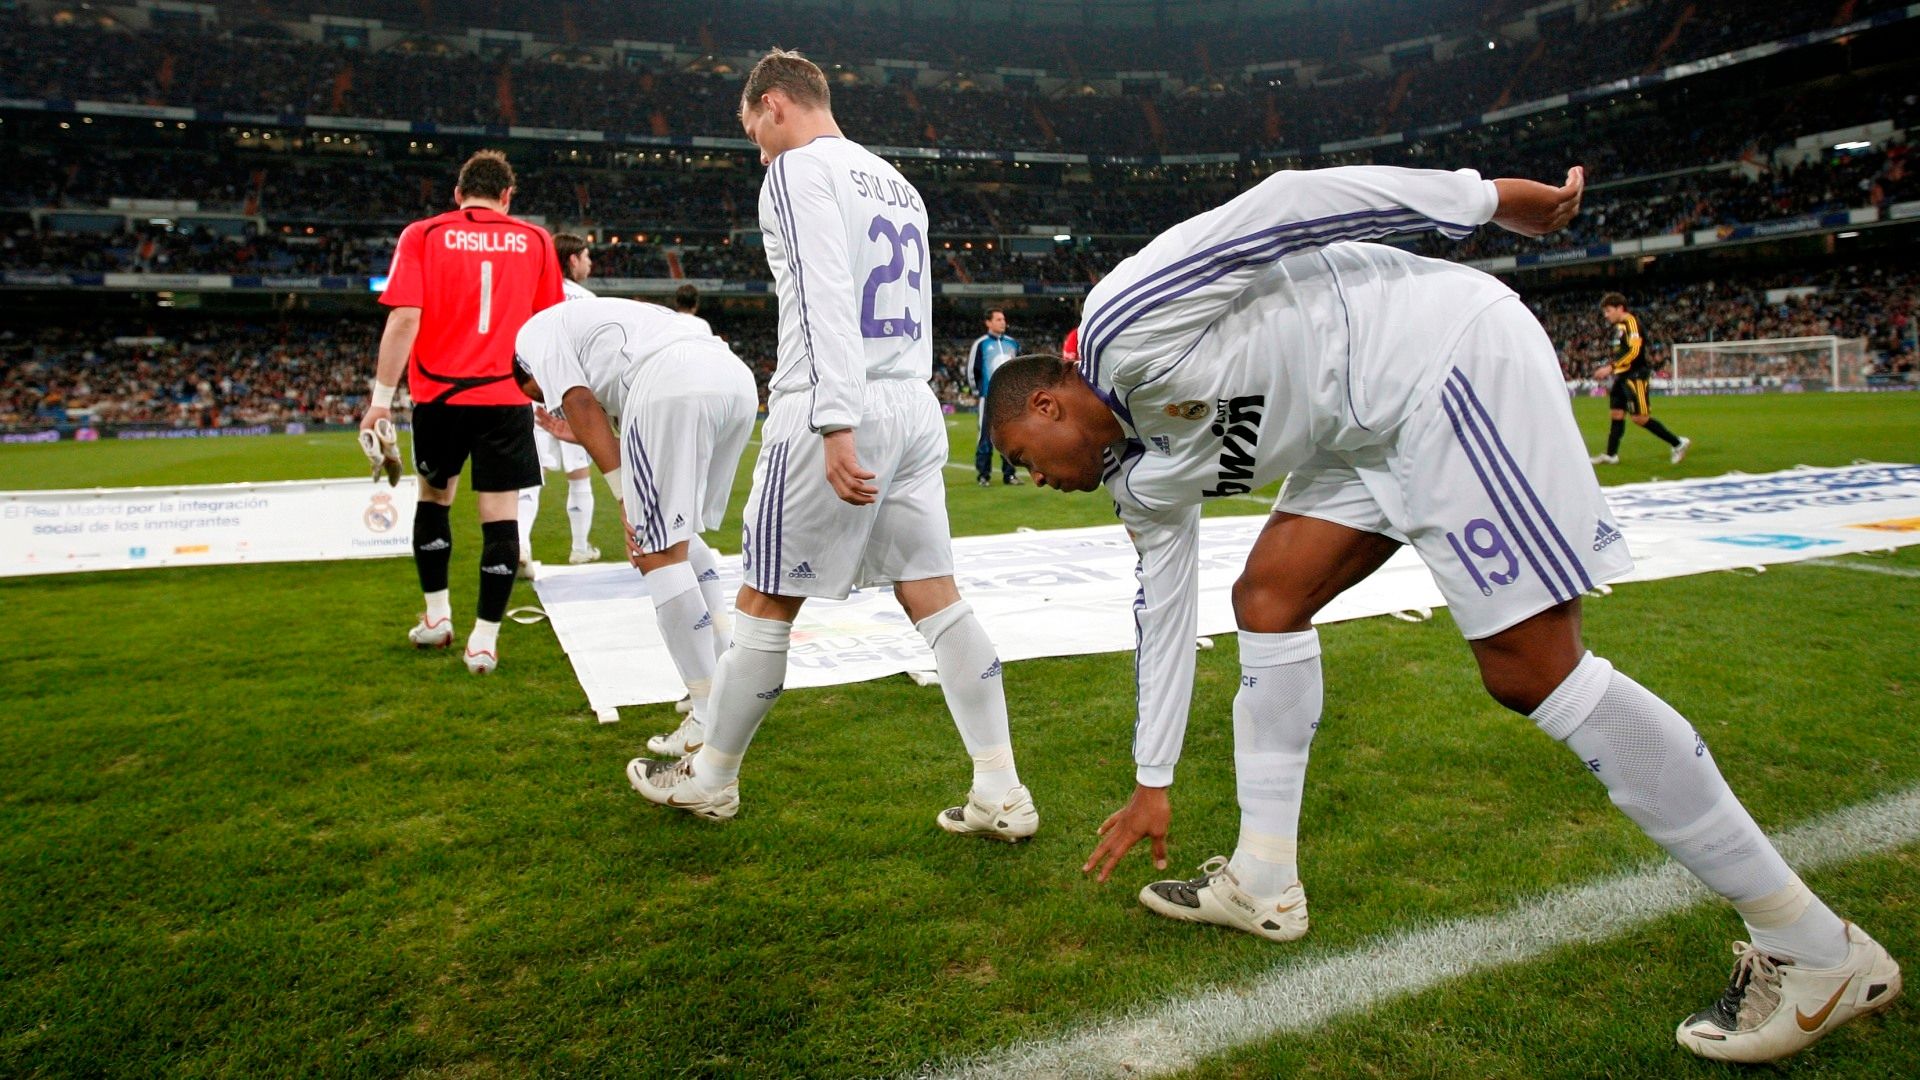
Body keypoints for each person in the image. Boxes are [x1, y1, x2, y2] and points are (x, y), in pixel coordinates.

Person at [983, 163, 1899, 1064]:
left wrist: (1492, 202)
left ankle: (1815, 950)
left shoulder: (1123, 326)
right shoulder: (1141, 482)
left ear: (1051, 402)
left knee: (1532, 669)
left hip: (1442, 357)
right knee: (1266, 598)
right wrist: (1153, 778)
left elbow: (1289, 204)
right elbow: (1165, 613)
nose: (1034, 479)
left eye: (1024, 455)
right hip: (1364, 431)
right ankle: (1264, 880)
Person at [630, 48, 1039, 841]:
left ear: (776, 103)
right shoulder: (900, 184)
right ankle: (1001, 789)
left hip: (834, 401)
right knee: (936, 594)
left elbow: (824, 298)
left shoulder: (796, 172)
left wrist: (834, 423)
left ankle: (710, 779)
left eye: (756, 131)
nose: (759, 150)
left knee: (764, 600)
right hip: (912, 403)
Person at [512, 297, 754, 746]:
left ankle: (706, 714)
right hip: (734, 381)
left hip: (674, 381)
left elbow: (579, 399)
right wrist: (583, 429)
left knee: (654, 550)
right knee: (678, 533)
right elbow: (605, 407)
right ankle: (724, 673)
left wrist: (626, 497)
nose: (549, 404)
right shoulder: (623, 321)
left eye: (538, 392)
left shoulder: (533, 334)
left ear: (524, 368)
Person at [362, 149, 564, 674]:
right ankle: (485, 641)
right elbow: (550, 331)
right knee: (501, 516)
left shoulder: (424, 234)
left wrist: (380, 401)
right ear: (507, 197)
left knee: (434, 498)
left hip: (441, 398)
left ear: (457, 194)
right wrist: (555, 397)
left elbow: (405, 316)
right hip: (505, 399)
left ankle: (437, 620)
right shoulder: (536, 240)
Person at [516, 231, 602, 577]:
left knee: (530, 476)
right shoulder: (586, 300)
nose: (590, 263)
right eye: (586, 257)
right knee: (579, 476)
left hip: (533, 392)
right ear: (572, 260)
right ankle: (580, 548)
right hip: (572, 397)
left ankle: (521, 545)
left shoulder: (531, 293)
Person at [1591, 292, 1691, 466]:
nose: (1606, 315)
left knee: (1639, 417)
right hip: (1623, 375)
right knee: (1616, 413)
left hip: (1635, 375)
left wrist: (1610, 368)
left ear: (1619, 308)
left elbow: (1634, 352)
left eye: (1608, 311)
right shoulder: (1621, 326)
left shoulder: (1632, 323)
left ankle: (1678, 443)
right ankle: (1611, 454)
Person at [968, 308, 1023, 486]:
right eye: (998, 319)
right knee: (985, 437)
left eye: (1004, 319)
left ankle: (1009, 474)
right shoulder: (981, 344)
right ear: (988, 322)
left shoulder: (1013, 344)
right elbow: (972, 370)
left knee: (1009, 437)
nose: (1002, 322)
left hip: (1009, 399)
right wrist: (979, 391)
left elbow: (1020, 369)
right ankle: (983, 475)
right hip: (989, 398)